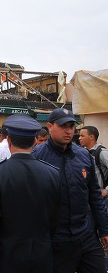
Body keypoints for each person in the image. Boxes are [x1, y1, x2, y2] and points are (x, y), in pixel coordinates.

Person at [0, 114, 60, 273]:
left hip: (8, 256)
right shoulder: (52, 173)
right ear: (35, 141)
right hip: (42, 254)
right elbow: (55, 218)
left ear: (8, 141)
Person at [32, 108, 108, 273]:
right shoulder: (37, 157)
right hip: (57, 241)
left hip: (86, 235)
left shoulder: (83, 155)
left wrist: (104, 229)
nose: (69, 131)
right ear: (50, 126)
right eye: (63, 126)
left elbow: (94, 195)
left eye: (71, 126)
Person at [79, 125, 108, 270]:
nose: (79, 138)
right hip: (89, 201)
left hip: (101, 201)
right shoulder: (82, 153)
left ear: (92, 137)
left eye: (82, 135)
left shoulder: (101, 153)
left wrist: (106, 190)